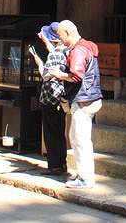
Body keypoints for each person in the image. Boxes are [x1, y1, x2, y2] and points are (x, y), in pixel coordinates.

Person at [47, 20, 102, 189]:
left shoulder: (78, 51)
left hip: (83, 99)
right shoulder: (87, 46)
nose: (60, 39)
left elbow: (76, 76)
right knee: (79, 137)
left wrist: (58, 74)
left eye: (61, 35)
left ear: (69, 33)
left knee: (79, 139)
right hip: (90, 97)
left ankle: (85, 178)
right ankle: (83, 174)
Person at [30, 22, 68, 176]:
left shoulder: (54, 54)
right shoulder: (66, 51)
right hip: (61, 98)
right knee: (59, 131)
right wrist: (46, 42)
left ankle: (54, 165)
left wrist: (38, 61)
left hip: (50, 98)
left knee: (51, 132)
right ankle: (62, 163)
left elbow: (46, 75)